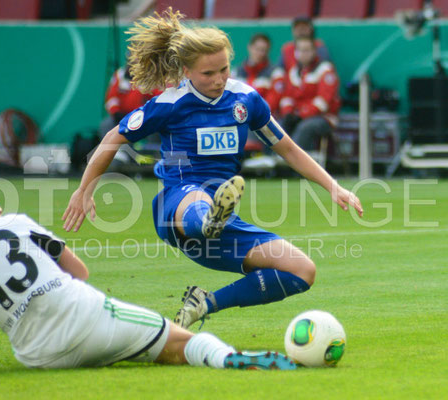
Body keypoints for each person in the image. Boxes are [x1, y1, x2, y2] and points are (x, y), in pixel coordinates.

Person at [62, 8, 362, 330]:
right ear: (186, 69)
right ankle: (208, 219)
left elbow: (286, 147)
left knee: (303, 271)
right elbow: (113, 137)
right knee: (200, 202)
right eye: (208, 74)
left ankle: (205, 303)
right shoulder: (170, 103)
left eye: (224, 69)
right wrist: (85, 189)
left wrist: (333, 185)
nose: (219, 79)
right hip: (177, 205)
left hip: (221, 220)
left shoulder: (245, 100)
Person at [0, 175, 296, 370]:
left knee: (134, 351)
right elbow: (79, 271)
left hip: (37, 356)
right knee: (182, 344)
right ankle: (232, 359)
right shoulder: (13, 223)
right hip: (85, 317)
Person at [279, 36, 341, 153]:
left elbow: (323, 102)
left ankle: (296, 165)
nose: (303, 54)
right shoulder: (293, 71)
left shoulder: (325, 70)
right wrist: (288, 113)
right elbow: (286, 97)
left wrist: (301, 114)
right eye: (300, 50)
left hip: (324, 117)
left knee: (305, 128)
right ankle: (275, 163)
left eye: (307, 50)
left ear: (314, 51)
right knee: (279, 125)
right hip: (298, 116)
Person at [233, 33, 284, 116]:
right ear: (249, 47)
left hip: (263, 119)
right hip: (239, 117)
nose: (260, 53)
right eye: (257, 49)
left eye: (263, 50)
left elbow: (272, 102)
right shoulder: (236, 72)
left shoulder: (276, 73)